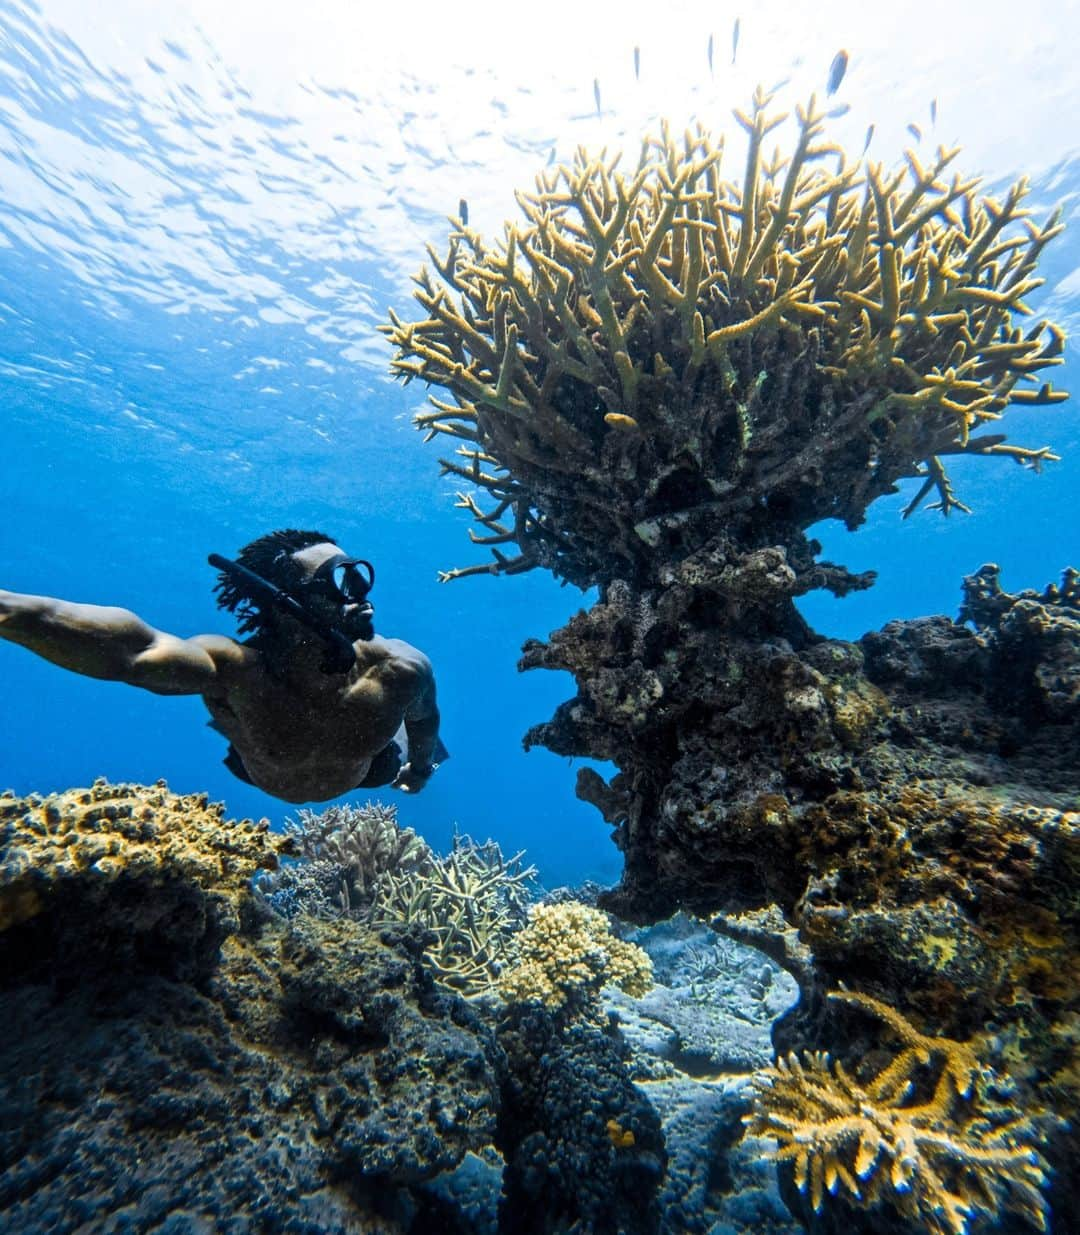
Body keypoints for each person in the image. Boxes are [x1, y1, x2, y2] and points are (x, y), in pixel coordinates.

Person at [0, 529, 445, 803]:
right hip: (259, 769)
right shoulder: (234, 670)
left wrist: (419, 771)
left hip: (367, 773)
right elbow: (135, 651)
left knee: (391, 743)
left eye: (358, 576)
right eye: (338, 580)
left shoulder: (402, 668)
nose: (359, 594)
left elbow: (425, 723)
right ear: (284, 605)